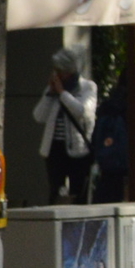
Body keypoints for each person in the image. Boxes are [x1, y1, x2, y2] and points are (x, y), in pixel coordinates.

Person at [33, 47, 97, 205]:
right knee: (56, 193)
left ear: (70, 71)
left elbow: (81, 111)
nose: (57, 75)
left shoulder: (87, 87)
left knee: (78, 194)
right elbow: (39, 116)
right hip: (54, 149)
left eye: (61, 71)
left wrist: (62, 94)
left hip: (78, 150)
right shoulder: (53, 89)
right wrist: (49, 93)